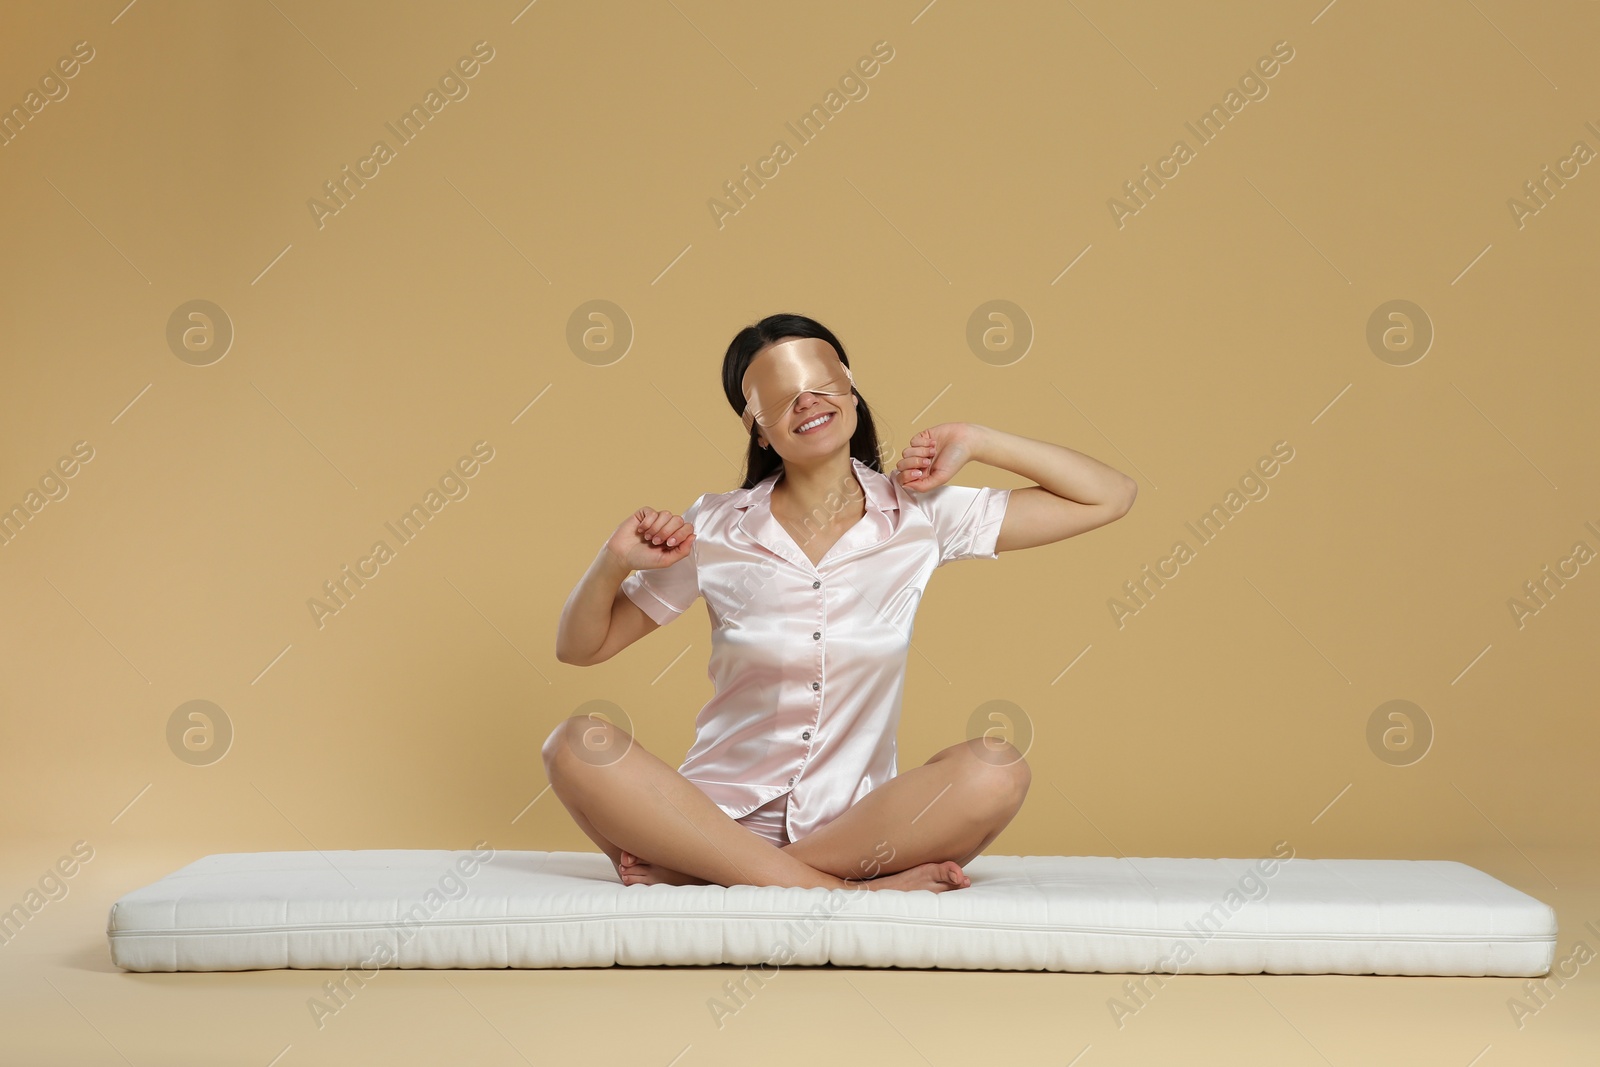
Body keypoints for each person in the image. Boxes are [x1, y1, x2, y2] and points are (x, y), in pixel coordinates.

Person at [550, 313, 1137, 893]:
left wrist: (978, 439)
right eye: (782, 398)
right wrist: (613, 561)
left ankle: (724, 876)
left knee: (996, 770)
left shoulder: (921, 514)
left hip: (858, 833)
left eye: (822, 385)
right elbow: (582, 647)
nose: (806, 402)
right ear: (759, 429)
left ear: (851, 392)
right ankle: (837, 892)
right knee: (575, 745)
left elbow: (1109, 496)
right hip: (709, 820)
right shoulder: (716, 528)